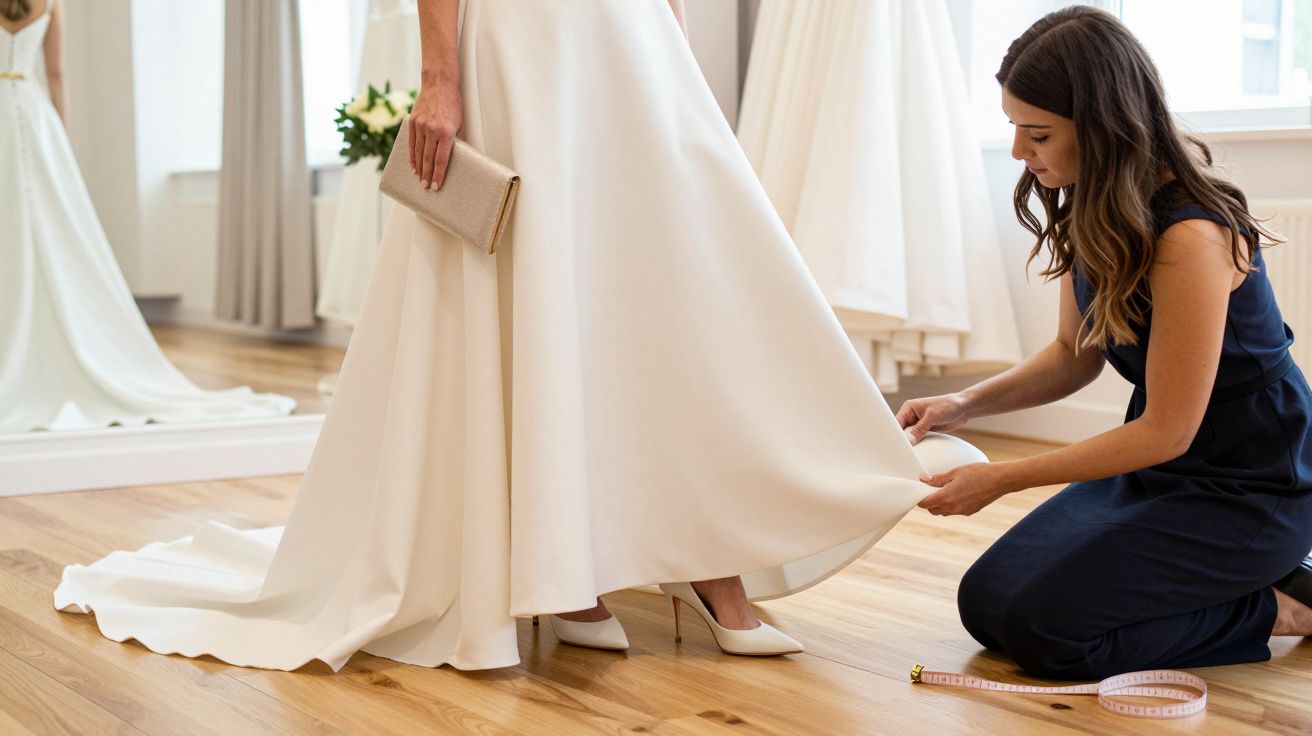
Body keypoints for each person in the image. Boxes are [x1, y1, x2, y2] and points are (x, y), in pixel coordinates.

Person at [53, 0, 984, 671]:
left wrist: (672, 41)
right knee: (548, 285)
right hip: (523, 43)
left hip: (633, 45)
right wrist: (439, 74)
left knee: (673, 293)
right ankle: (567, 568)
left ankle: (712, 566)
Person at [897, 5, 1312, 680]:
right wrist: (963, 406)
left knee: (1049, 633)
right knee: (987, 605)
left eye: (1038, 133)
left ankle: (1285, 605)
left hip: (1252, 483)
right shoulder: (1092, 201)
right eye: (1013, 129)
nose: (1018, 153)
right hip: (1163, 470)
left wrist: (1001, 478)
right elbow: (1072, 355)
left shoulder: (1192, 237)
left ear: (1103, 126)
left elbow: (1168, 430)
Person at [0, 0, 295, 433]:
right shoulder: (50, 5)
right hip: (33, 112)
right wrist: (60, 137)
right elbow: (57, 75)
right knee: (51, 225)